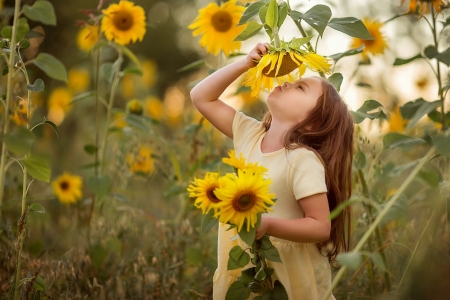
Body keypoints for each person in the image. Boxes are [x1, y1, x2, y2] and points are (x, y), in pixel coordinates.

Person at [190, 43, 354, 300]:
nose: (288, 82)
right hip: (245, 272)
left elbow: (320, 226)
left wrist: (268, 225)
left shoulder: (302, 160)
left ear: (312, 123)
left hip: (286, 281)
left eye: (300, 87)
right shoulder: (250, 135)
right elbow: (201, 96)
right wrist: (246, 64)